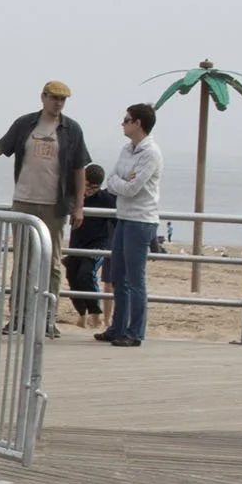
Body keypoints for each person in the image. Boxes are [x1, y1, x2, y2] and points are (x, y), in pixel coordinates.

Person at [0, 79, 90, 337]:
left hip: (54, 206)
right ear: (43, 97)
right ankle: (19, 317)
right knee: (22, 262)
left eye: (62, 99)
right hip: (24, 201)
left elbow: (80, 170)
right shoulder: (25, 124)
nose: (58, 103)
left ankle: (46, 318)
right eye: (54, 98)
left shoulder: (72, 130)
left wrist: (79, 206)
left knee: (52, 263)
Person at [98, 103, 162, 346]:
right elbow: (111, 179)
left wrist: (121, 183)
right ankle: (117, 327)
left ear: (138, 124)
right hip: (123, 217)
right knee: (118, 276)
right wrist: (122, 181)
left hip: (141, 220)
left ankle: (135, 332)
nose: (122, 124)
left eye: (126, 120)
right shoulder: (127, 149)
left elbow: (133, 188)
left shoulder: (151, 153)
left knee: (136, 279)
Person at [64, 162, 116, 328]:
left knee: (86, 273)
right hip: (77, 242)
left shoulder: (106, 200)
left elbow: (116, 221)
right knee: (72, 274)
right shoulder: (75, 195)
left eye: (93, 187)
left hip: (98, 244)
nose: (88, 190)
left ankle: (95, 312)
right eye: (86, 185)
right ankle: (81, 312)